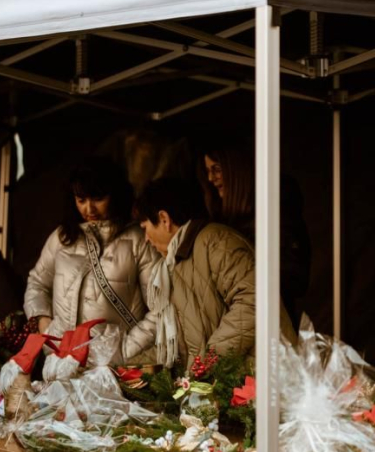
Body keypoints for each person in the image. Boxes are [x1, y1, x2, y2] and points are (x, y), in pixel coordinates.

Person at [124, 178, 295, 369]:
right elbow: (178, 347)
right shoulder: (176, 263)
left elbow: (254, 302)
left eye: (145, 228)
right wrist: (123, 368)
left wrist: (207, 363)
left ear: (164, 219)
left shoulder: (217, 242)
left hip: (261, 380)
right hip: (221, 382)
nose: (146, 239)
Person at [23, 158, 159, 362]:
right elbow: (37, 283)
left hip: (114, 369)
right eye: (81, 200)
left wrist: (124, 351)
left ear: (116, 195)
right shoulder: (62, 238)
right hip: (61, 362)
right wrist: (45, 326)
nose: (89, 209)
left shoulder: (140, 241)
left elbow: (160, 309)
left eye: (97, 198)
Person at [198, 141, 312, 326]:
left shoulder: (276, 212)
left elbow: (294, 274)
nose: (211, 178)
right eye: (208, 171)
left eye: (217, 169)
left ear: (236, 170)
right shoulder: (223, 220)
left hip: (269, 326)